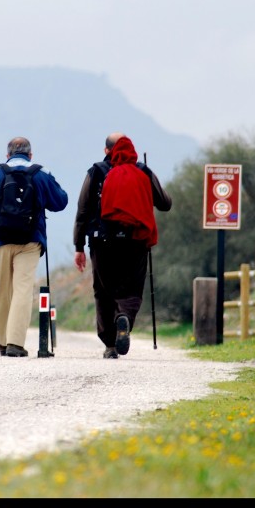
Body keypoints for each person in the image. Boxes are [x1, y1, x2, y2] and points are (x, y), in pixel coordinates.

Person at [73, 132, 172, 359]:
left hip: (102, 241)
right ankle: (124, 316)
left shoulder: (96, 171)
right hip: (135, 241)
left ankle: (109, 344)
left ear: (106, 150)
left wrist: (78, 245)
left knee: (103, 291)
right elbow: (165, 203)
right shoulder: (142, 171)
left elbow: (83, 211)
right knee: (132, 288)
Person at [0, 137, 68, 357]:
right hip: (30, 241)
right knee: (22, 289)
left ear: (7, 155)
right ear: (30, 155)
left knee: (4, 289)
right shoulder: (41, 173)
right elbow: (61, 201)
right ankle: (15, 343)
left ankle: (3, 342)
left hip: (0, 240)